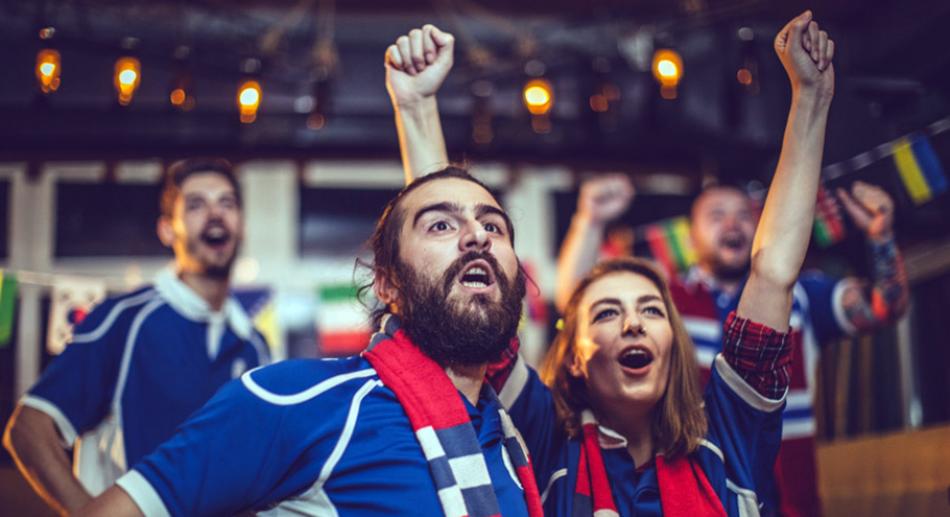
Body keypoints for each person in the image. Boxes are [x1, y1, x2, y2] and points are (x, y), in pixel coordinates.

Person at [385, 13, 843, 515]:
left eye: (652, 311)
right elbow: (452, 275)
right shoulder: (543, 440)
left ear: (675, 343)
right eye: (605, 313)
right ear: (575, 354)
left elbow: (774, 270)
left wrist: (810, 98)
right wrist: (417, 106)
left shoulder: (729, 436)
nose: (632, 324)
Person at [554, 39, 908, 517]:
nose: (733, 224)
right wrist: (589, 222)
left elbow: (874, 301)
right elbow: (577, 304)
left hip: (784, 492)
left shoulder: (800, 296)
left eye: (744, 214)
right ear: (691, 233)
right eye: (716, 215)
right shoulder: (671, 293)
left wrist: (812, 98)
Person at [75, 166, 545, 516]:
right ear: (388, 285)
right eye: (440, 225)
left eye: (494, 226)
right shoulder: (299, 400)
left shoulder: (513, 438)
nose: (476, 237)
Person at [3, 158, 270, 515]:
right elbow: (27, 429)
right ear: (166, 229)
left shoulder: (254, 346)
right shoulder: (124, 320)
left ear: (241, 226)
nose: (215, 215)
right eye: (196, 205)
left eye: (227, 203)